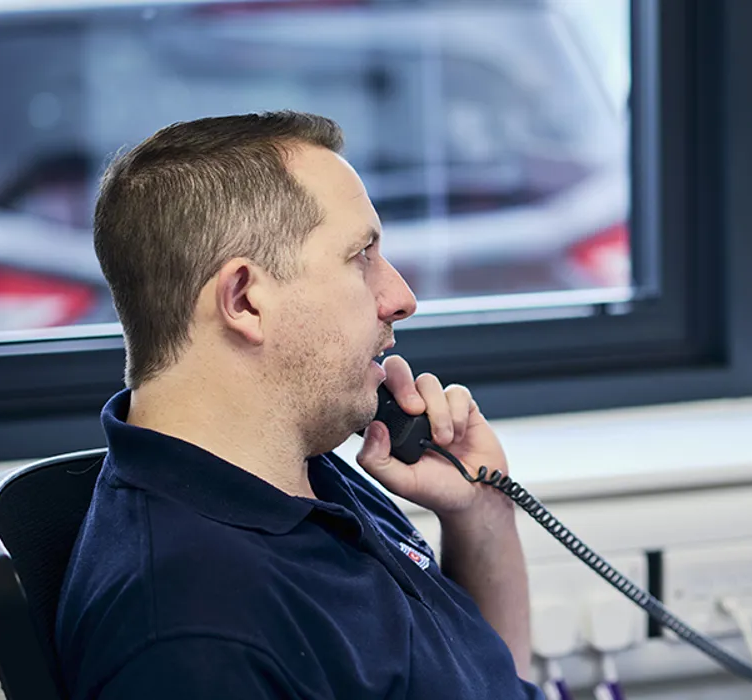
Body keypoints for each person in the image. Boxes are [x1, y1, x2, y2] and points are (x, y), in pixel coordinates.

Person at [54, 111, 540, 699]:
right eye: (361, 255)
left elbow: (489, 680)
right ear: (245, 300)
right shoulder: (195, 637)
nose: (401, 297)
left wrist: (481, 511)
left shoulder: (299, 471)